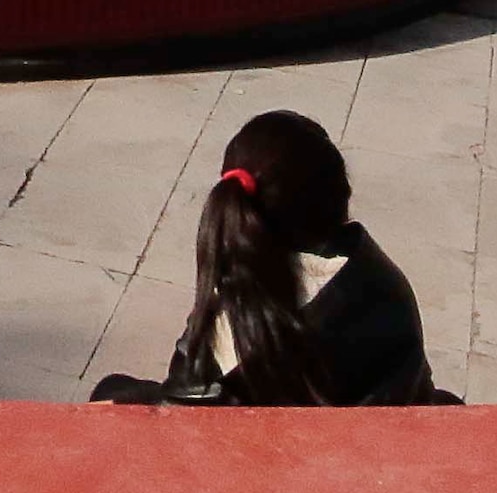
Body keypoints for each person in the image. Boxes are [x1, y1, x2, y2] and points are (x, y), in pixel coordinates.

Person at [87, 110, 442, 405]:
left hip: (266, 460)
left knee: (110, 390)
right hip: (372, 450)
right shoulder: (381, 283)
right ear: (337, 205)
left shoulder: (226, 317)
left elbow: (184, 402)